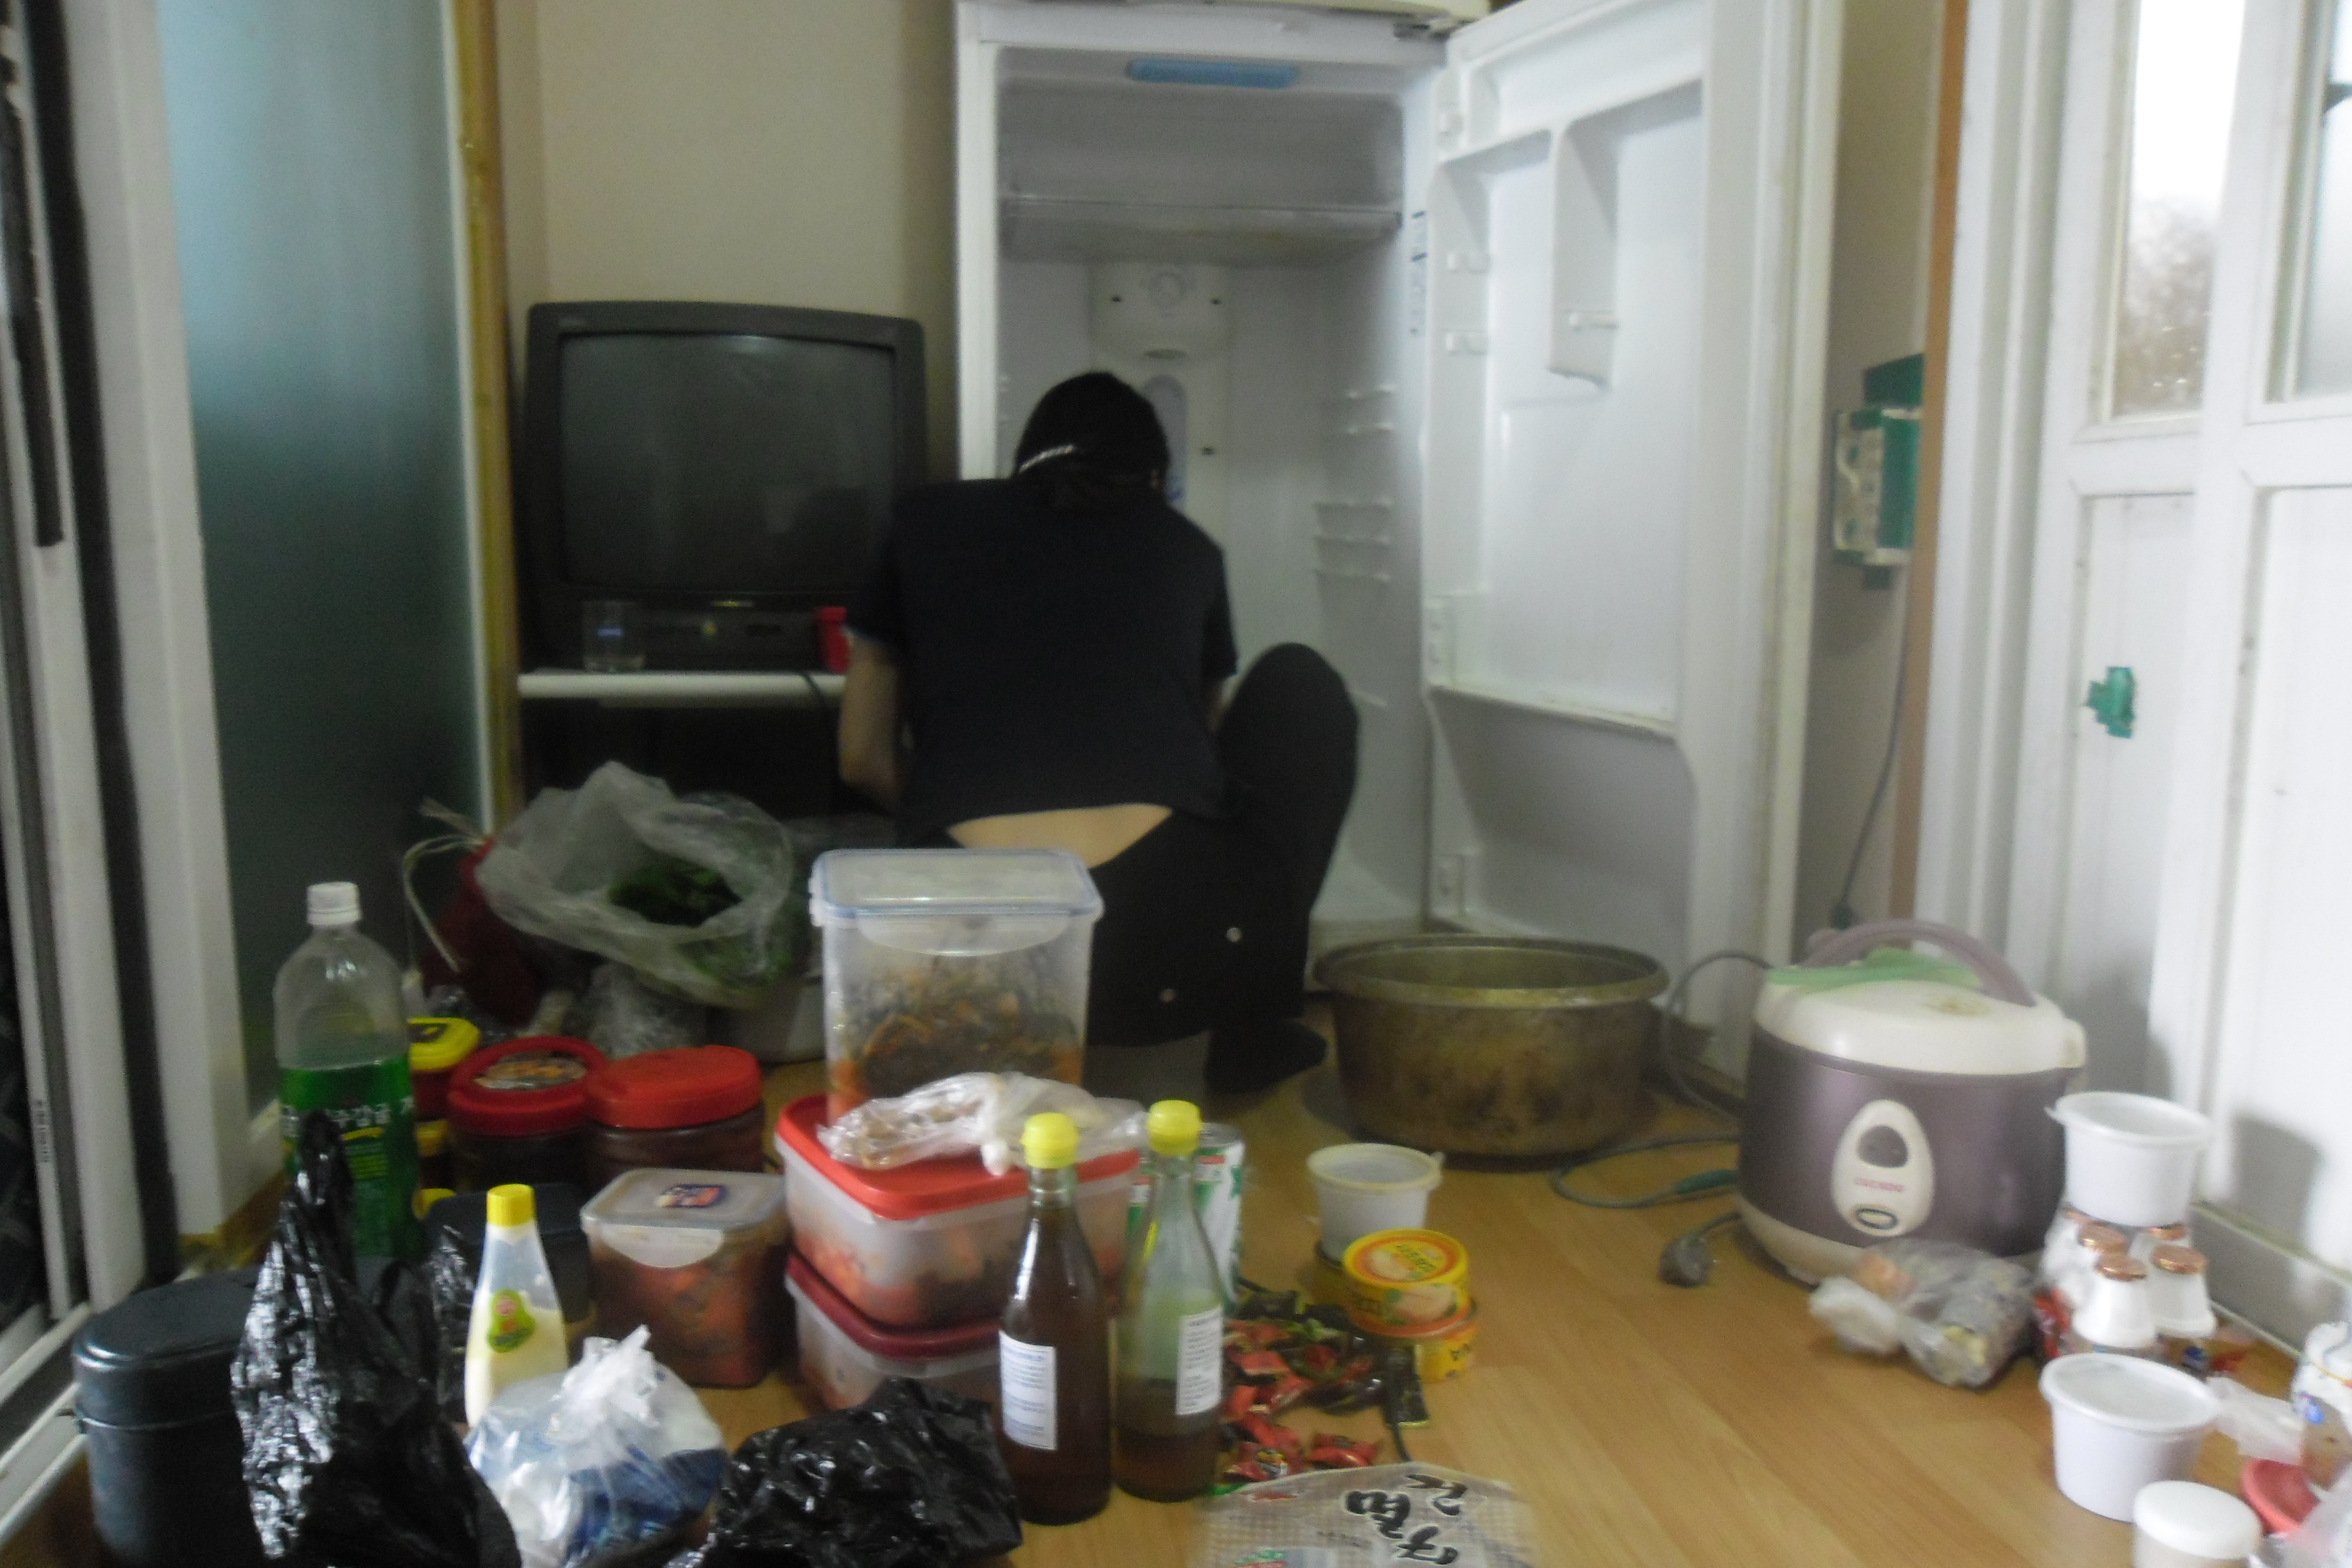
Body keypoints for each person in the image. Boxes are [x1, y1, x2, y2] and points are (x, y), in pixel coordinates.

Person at [837, 371, 1358, 1094]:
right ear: (1154, 479)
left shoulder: (920, 522)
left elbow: (860, 760)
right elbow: (1207, 763)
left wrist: (947, 818)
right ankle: (1246, 1025)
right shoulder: (1189, 550)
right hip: (1162, 950)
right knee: (1302, 681)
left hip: (965, 956)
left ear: (1023, 463)